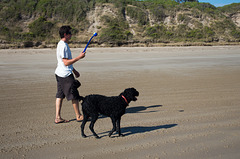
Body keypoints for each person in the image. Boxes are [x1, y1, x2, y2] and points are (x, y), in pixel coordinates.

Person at [54, 26, 85, 124]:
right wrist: (79, 57)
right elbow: (66, 62)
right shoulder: (63, 45)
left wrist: (74, 71)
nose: (71, 35)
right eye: (70, 33)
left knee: (60, 95)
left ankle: (57, 117)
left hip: (60, 73)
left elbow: (64, 63)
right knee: (74, 95)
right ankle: (79, 116)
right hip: (65, 75)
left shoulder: (61, 44)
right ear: (65, 34)